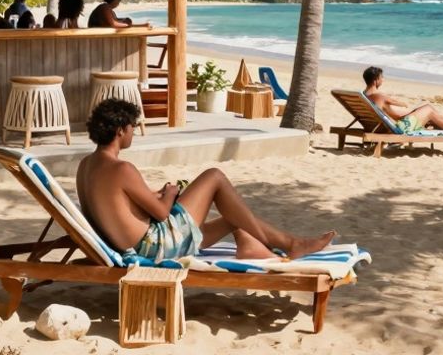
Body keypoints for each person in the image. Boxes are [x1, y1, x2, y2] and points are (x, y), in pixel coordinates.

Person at [76, 98, 337, 263]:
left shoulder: (86, 166)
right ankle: (287, 243)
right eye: (132, 127)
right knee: (214, 177)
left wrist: (157, 195)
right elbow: (161, 213)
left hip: (132, 245)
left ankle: (250, 245)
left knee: (231, 216)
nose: (133, 132)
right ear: (121, 130)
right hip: (154, 247)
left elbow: (117, 208)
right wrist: (170, 193)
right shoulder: (121, 168)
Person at [363, 66, 443, 133]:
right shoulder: (380, 96)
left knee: (428, 113)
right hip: (399, 129)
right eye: (381, 77)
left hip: (375, 127)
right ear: (375, 80)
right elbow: (402, 106)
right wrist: (412, 110)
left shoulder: (364, 95)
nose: (383, 80)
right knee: (428, 109)